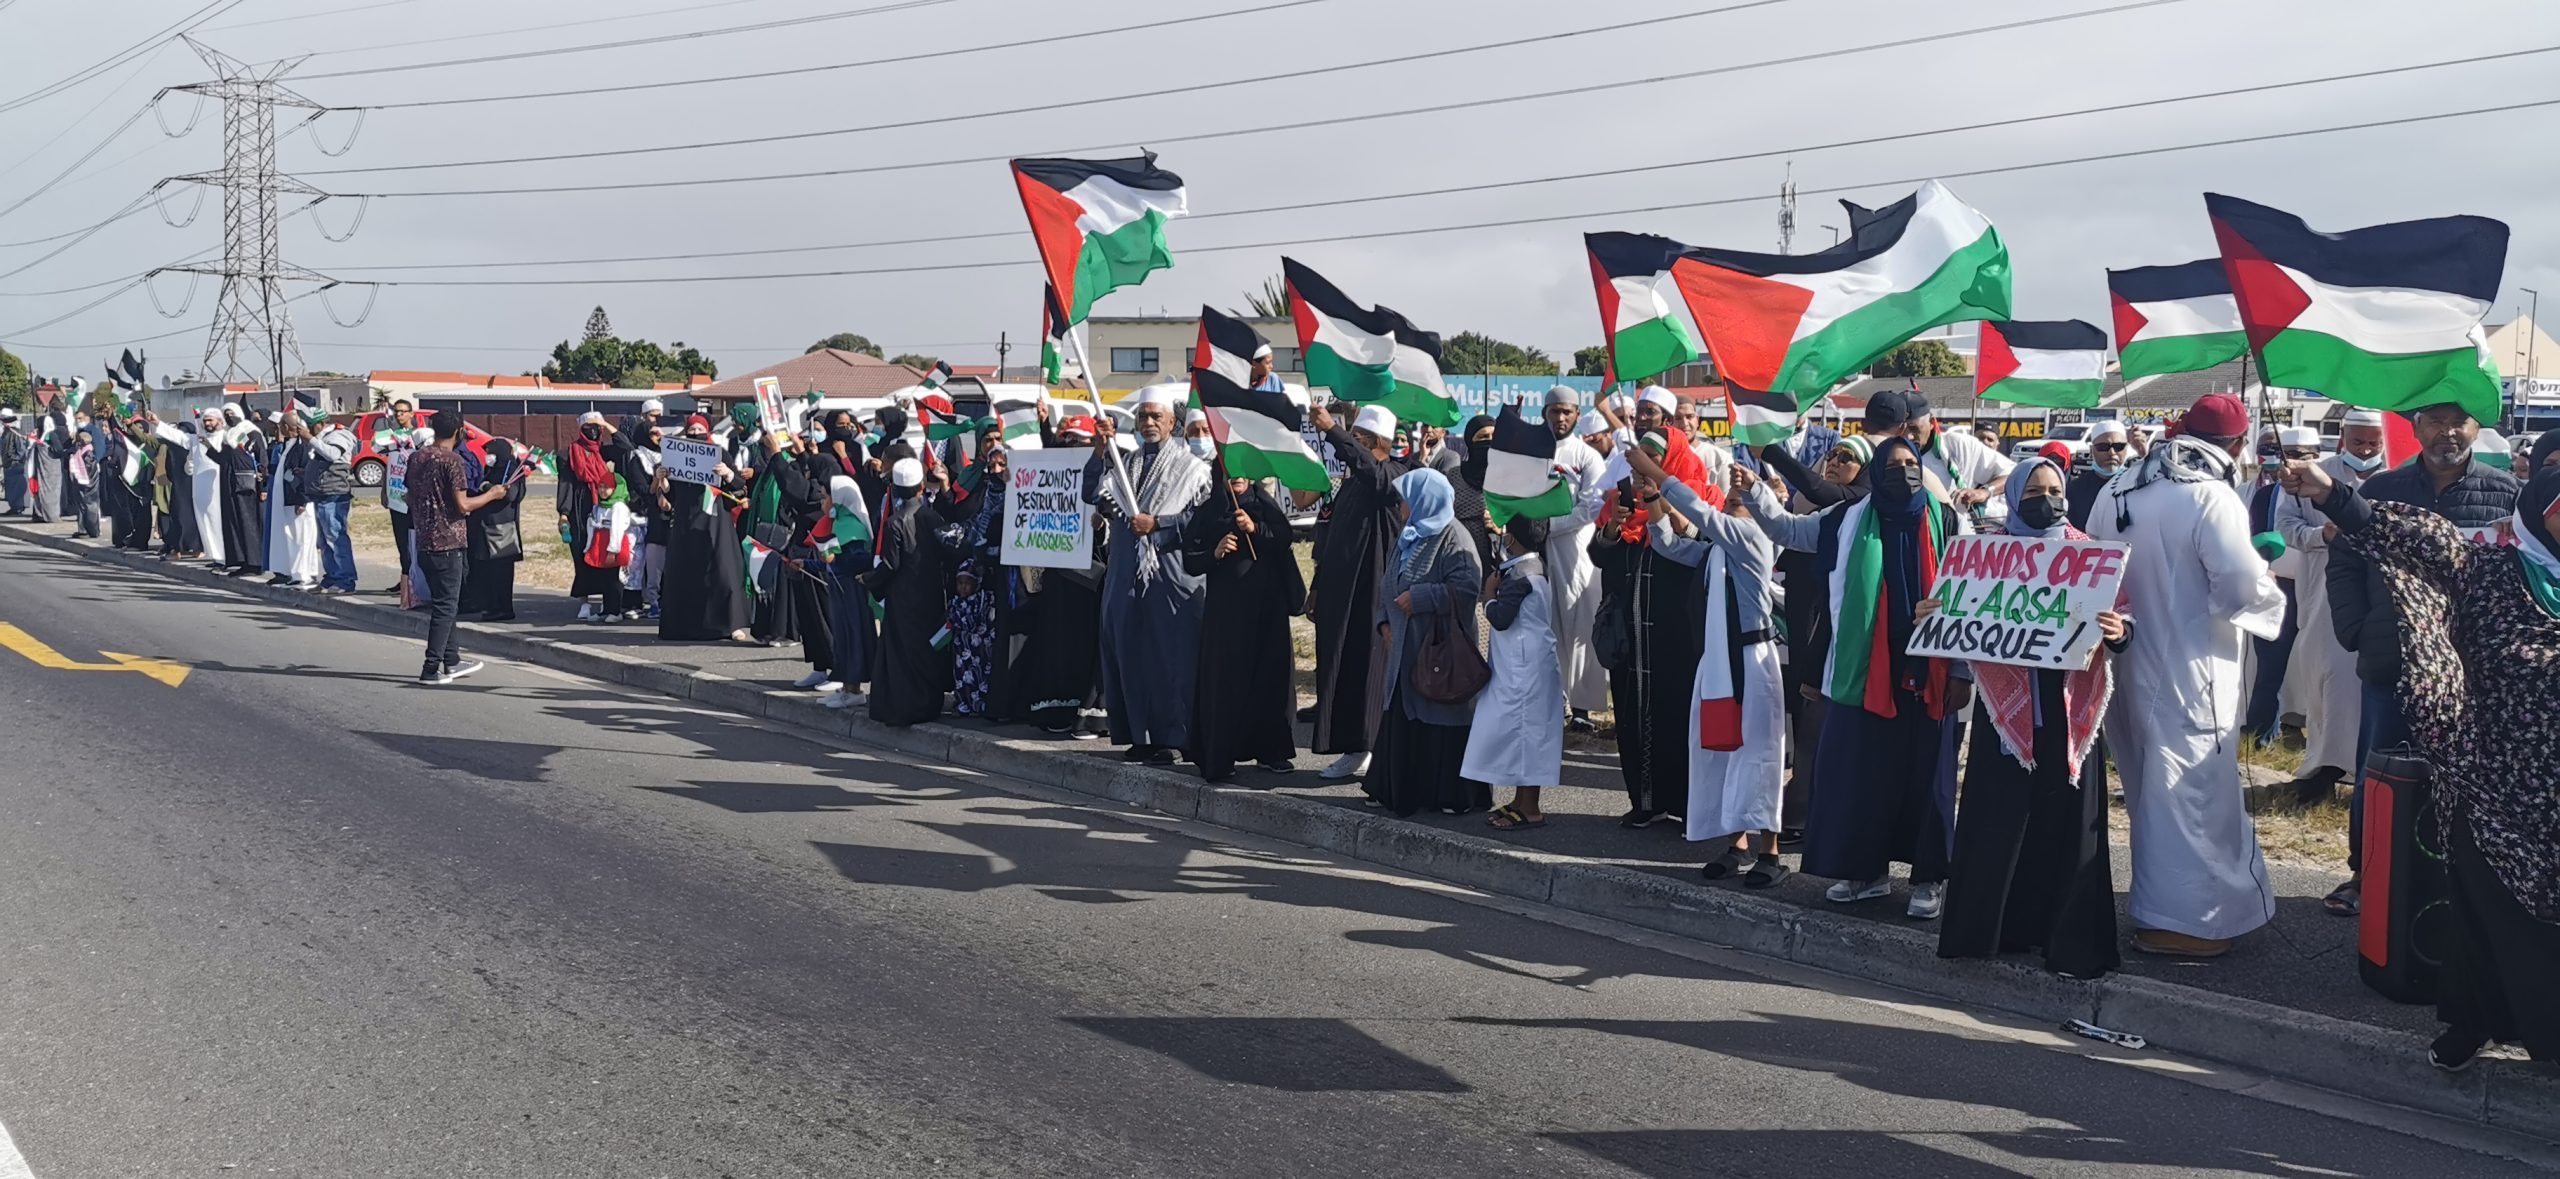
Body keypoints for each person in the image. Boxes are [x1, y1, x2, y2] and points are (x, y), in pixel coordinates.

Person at [2281, 456, 2560, 1068]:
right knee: (2491, 908)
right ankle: (2478, 1022)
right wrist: (2334, 495)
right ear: (2538, 515)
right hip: (2494, 784)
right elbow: (2414, 539)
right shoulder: (2490, 572)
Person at [2089, 392, 2285, 957]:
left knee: (2147, 788)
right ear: (2237, 445)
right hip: (2190, 669)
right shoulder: (2210, 495)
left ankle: (2159, 910)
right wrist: (2266, 581)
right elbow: (2240, 586)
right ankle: (2183, 924)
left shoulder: (2116, 487)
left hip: (2126, 657)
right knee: (2190, 795)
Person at [1742, 436, 1967, 916]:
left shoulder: (1948, 521)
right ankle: (1866, 874)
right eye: (1892, 464)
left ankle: (1929, 880)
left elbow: (1971, 594)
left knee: (1928, 780)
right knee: (1864, 775)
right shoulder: (1846, 518)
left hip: (1930, 670)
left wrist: (1961, 669)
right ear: (1876, 471)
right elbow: (1788, 530)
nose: (1903, 472)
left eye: (1910, 463)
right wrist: (1754, 492)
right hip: (1865, 670)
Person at [1935, 458, 2130, 978]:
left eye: (2055, 490)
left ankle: (2067, 942)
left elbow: (2125, 614)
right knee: (1999, 822)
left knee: (2066, 823)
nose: (2047, 501)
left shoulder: (2090, 554)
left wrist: (2119, 630)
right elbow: (1958, 612)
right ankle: (1992, 932)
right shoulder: (1987, 554)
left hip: (2068, 711)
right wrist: (1936, 614)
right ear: (2013, 497)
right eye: (2033, 492)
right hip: (2006, 712)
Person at [2324, 401, 2518, 920]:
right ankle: (2367, 876)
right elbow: (2345, 561)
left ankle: (2461, 880)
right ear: (2415, 427)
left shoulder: (2506, 493)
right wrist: (2357, 628)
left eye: (2458, 422)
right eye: (2435, 421)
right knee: (2379, 772)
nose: (2446, 432)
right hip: (2392, 658)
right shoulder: (2381, 490)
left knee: (2470, 779)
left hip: (2473, 667)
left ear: (2476, 428)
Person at [1629, 439, 1789, 886]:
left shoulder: (1753, 539)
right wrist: (1652, 498)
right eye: (1730, 501)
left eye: (1740, 503)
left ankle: (1770, 852)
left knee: (1759, 754)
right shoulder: (1718, 551)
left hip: (1752, 661)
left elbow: (1701, 516)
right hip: (1717, 661)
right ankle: (1736, 844)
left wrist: (1654, 472)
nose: (1731, 507)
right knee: (1721, 752)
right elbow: (1669, 546)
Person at [1082, 387, 1212, 764]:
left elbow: (1200, 521)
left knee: (1171, 656)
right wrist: (1100, 449)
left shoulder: (1192, 469)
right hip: (1126, 574)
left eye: (1156, 416)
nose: (1149, 422)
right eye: (1143, 416)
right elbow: (1091, 492)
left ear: (1172, 422)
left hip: (1170, 575)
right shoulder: (1125, 464)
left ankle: (1176, 738)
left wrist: (1158, 524)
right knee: (1128, 650)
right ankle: (1139, 735)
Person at [1590, 428, 1709, 828]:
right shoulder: (1622, 496)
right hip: (1631, 635)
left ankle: (1690, 807)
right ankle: (1645, 802)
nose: (1642, 465)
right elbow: (1598, 556)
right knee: (1632, 716)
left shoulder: (1697, 496)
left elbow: (1705, 542)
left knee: (1679, 717)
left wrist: (1666, 505)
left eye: (1653, 457)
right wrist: (1613, 526)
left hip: (1678, 635)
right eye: (1639, 456)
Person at [1363, 467, 1487, 816]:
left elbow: (1467, 589)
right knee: (1403, 716)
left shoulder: (1455, 537)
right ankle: (1397, 790)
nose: (1400, 506)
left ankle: (1448, 796)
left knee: (1438, 717)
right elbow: (1389, 583)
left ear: (1425, 501)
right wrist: (1383, 621)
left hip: (1437, 651)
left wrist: (1421, 598)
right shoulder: (1410, 535)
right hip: (1404, 649)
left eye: (1405, 499)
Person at [2274, 414, 2380, 809]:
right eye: (2358, 442)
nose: (2365, 450)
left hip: (2378, 595)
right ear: (2343, 438)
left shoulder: (2394, 477)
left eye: (2373, 443)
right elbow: (2285, 526)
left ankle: (2368, 771)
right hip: (2323, 593)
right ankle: (2324, 768)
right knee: (2328, 678)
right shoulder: (2312, 476)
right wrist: (2322, 535)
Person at [1181, 457, 1303, 781]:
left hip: (1267, 610)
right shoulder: (1209, 512)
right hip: (1227, 615)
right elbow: (1190, 560)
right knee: (1226, 681)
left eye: (1242, 471)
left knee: (1269, 677)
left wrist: (1255, 529)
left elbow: (1283, 538)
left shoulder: (1263, 505)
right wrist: (1215, 552)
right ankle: (1221, 756)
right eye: (1229, 470)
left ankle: (1271, 751)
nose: (1236, 476)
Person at [1306, 401, 1410, 778]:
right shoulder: (1351, 483)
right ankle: (1349, 746)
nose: (1352, 442)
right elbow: (1331, 537)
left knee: (1367, 669)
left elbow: (1373, 472)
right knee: (1339, 666)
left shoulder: (1394, 475)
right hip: (1339, 593)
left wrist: (1332, 431)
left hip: (1372, 593)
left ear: (1376, 441)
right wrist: (1318, 586)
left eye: (1358, 437)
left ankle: (1367, 746)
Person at [1471, 514, 1564, 829]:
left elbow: (1500, 618)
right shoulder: (1535, 566)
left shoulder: (1521, 576)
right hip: (1528, 663)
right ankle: (1520, 800)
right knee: (1523, 733)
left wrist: (1488, 596)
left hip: (1525, 667)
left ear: (1511, 538)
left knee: (1528, 734)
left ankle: (1531, 808)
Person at [407, 409, 506, 685]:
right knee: (445, 607)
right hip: (448, 542)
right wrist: (492, 494)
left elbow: (408, 496)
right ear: (459, 432)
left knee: (444, 603)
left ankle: (452, 660)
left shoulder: (417, 457)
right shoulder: (453, 461)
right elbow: (463, 505)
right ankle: (430, 668)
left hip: (424, 540)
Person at [1537, 388, 1611, 732]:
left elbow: (1591, 506)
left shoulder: (1587, 456)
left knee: (1579, 623)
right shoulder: (1531, 452)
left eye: (1566, 412)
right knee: (1545, 623)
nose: (1560, 418)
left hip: (1577, 551)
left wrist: (1549, 527)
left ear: (1577, 415)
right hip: (1536, 549)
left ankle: (1582, 707)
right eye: (1554, 411)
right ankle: (1554, 701)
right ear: (1545, 413)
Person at [862, 458, 953, 726]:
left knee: (902, 653)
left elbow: (890, 565)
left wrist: (867, 579)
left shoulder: (895, 522)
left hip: (903, 597)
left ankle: (904, 707)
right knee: (927, 649)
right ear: (921, 487)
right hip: (931, 593)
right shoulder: (933, 517)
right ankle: (929, 704)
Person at [657, 415, 751, 642]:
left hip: (715, 519)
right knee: (685, 572)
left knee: (723, 570)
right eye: (691, 429)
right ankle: (684, 626)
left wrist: (727, 473)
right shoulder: (676, 455)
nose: (695, 433)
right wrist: (663, 481)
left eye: (700, 429)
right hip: (685, 520)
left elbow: (739, 485)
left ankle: (731, 624)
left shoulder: (719, 453)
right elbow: (673, 494)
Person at [1863, 387, 2013, 522]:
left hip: (1959, 532)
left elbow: (2012, 473)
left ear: (1931, 422)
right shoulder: (1888, 455)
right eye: (1903, 429)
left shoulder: (1958, 445)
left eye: (1915, 429)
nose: (1908, 436)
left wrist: (1985, 491)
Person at [2241, 427, 2302, 746]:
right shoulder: (2265, 495)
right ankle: (2261, 731)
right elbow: (2254, 536)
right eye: (2287, 454)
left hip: (2318, 588)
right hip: (2277, 586)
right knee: (2270, 665)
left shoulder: (2327, 491)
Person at [950, 443, 1014, 718]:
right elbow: (979, 526)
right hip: (986, 578)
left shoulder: (1017, 495)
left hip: (1011, 578)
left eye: (1002, 465)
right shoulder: (988, 493)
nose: (996, 470)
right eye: (992, 465)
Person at [559, 412, 634, 622]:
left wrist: (606, 424)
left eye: (596, 427)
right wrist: (563, 513)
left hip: (602, 504)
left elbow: (626, 447)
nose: (592, 431)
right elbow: (565, 484)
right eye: (588, 427)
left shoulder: (603, 450)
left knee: (605, 555)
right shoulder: (568, 453)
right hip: (579, 507)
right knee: (582, 554)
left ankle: (607, 603)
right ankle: (584, 602)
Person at [462, 438, 527, 620]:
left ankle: (503, 608)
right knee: (487, 571)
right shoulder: (492, 469)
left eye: (491, 452)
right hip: (485, 525)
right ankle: (489, 605)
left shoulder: (513, 469)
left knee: (501, 572)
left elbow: (511, 495)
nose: (488, 456)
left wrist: (489, 488)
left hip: (502, 528)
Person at [261, 412, 320, 588]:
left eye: (281, 425)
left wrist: (302, 501)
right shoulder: (290, 444)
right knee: (292, 538)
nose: (279, 428)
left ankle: (304, 575)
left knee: (302, 538)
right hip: (288, 499)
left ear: (286, 427)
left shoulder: (302, 446)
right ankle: (293, 573)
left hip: (298, 502)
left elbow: (304, 473)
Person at [619, 418, 668, 622]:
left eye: (661, 433)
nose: (659, 437)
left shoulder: (669, 455)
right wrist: (656, 485)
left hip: (665, 515)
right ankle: (638, 602)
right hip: (643, 515)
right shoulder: (638, 458)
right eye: (654, 434)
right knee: (639, 562)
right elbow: (641, 488)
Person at [302, 414, 357, 594]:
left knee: (336, 537)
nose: (307, 429)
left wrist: (310, 439)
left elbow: (333, 454)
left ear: (320, 423)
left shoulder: (339, 435)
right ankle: (332, 577)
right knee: (324, 540)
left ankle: (345, 580)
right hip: (321, 494)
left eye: (310, 425)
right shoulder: (323, 437)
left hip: (334, 494)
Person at [378, 399, 419, 593]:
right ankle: (405, 576)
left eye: (403, 411)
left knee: (414, 540)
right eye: (397, 412)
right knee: (401, 541)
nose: (400, 415)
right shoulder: (391, 438)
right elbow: (389, 464)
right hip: (396, 496)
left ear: (411, 413)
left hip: (412, 498)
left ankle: (416, 579)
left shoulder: (419, 436)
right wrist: (384, 490)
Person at [2069, 421, 2130, 529]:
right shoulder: (2075, 489)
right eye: (2103, 447)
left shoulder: (2136, 485)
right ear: (2092, 450)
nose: (2111, 452)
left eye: (2118, 446)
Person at [0, 409, 25, 515]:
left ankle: (17, 508)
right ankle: (14, 507)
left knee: (16, 488)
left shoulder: (15, 433)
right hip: (8, 464)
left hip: (15, 464)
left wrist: (15, 459)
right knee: (10, 487)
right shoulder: (5, 433)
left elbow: (21, 450)